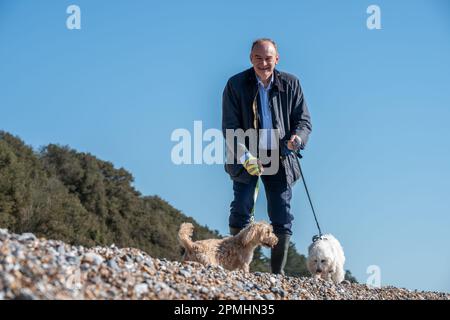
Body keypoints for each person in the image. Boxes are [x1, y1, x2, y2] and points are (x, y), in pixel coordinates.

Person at [221, 38, 312, 274]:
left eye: (268, 58)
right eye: (258, 58)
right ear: (251, 59)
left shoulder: (292, 84)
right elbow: (229, 127)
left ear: (277, 59)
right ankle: (237, 267)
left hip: (281, 154)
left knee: (281, 210)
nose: (263, 63)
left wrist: (297, 139)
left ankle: (276, 274)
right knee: (241, 206)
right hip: (246, 154)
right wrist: (245, 156)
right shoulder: (235, 84)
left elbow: (303, 121)